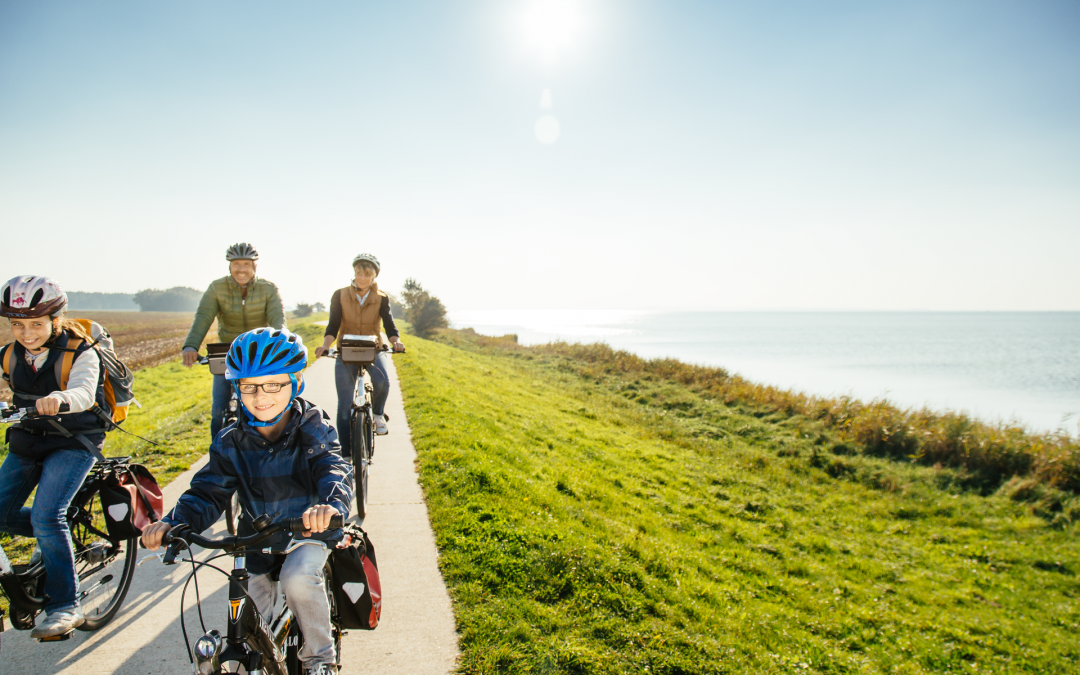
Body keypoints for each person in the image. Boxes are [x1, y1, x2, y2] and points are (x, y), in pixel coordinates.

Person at [142, 327, 351, 675]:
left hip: (309, 530)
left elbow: (332, 466)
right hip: (257, 538)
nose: (260, 396)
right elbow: (208, 491)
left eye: (273, 385)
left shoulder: (312, 424)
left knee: (298, 579)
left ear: (295, 383)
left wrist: (329, 505)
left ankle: (319, 660)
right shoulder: (231, 440)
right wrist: (176, 522)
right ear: (236, 387)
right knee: (252, 625)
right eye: (248, 386)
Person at [0, 276, 109, 638]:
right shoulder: (10, 354)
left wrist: (60, 399)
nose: (26, 332)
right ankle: (54, 543)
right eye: (18, 324)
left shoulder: (81, 351)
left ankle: (65, 606)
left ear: (54, 320)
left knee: (47, 516)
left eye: (35, 324)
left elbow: (82, 391)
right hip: (29, 438)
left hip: (73, 440)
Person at [181, 242, 286, 440]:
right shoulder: (217, 288)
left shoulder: (268, 289)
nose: (241, 269)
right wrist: (190, 346)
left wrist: (281, 345)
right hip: (227, 354)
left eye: (246, 264)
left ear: (255, 266)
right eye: (236, 264)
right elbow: (203, 317)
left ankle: (270, 450)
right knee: (218, 410)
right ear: (229, 266)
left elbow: (277, 321)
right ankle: (217, 460)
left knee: (266, 407)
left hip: (258, 353)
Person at [314, 253, 404, 450]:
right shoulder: (340, 295)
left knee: (382, 381)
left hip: (374, 348)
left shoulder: (381, 298)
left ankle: (378, 414)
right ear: (354, 274)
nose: (362, 278)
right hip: (347, 349)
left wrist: (396, 342)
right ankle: (346, 453)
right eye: (358, 273)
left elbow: (389, 325)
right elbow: (333, 324)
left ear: (374, 277)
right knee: (344, 406)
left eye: (367, 275)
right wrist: (325, 345)